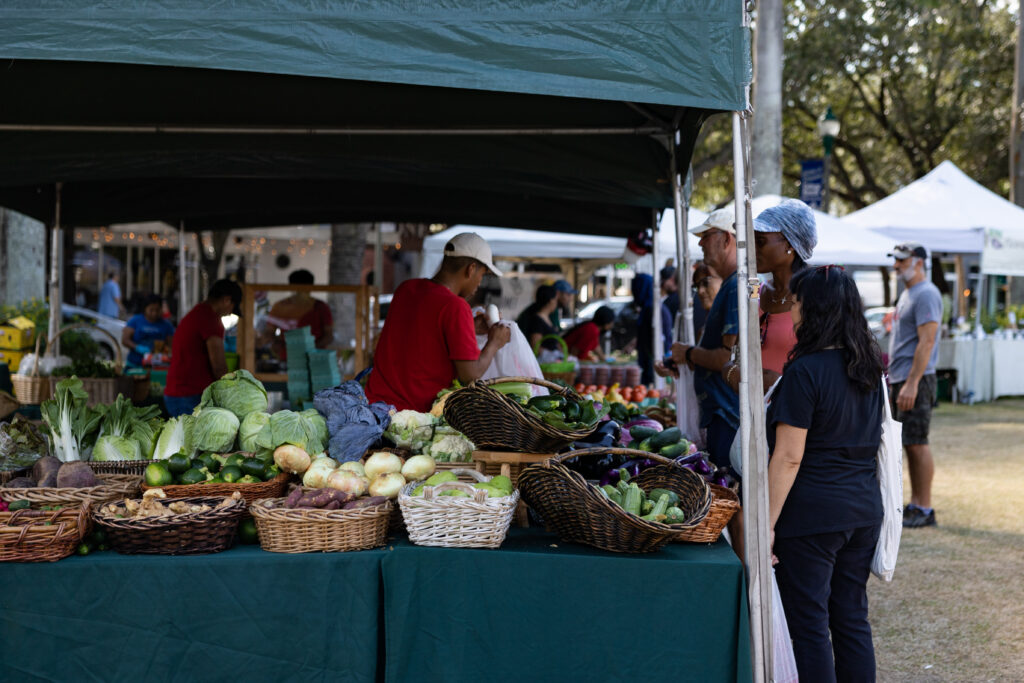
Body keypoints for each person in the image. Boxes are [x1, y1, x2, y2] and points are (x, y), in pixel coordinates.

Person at [767, 264, 885, 682]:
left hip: (813, 515)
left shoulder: (805, 371)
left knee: (810, 625)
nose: (792, 310)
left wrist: (765, 521)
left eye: (796, 301)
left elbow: (788, 457)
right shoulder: (869, 367)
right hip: (862, 511)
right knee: (851, 618)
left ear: (814, 309)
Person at [365, 232, 511, 412]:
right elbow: (470, 375)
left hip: (375, 406)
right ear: (471, 269)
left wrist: (468, 327)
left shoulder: (406, 289)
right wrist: (494, 343)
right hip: (412, 418)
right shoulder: (456, 306)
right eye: (482, 275)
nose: (479, 284)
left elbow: (424, 335)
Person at [662, 209, 739, 469]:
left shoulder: (736, 286)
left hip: (727, 416)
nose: (700, 243)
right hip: (720, 414)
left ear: (727, 239)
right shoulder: (732, 286)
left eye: (707, 236)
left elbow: (728, 357)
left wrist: (689, 354)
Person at [888, 242, 942, 528]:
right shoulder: (910, 293)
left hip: (915, 379)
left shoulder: (927, 293)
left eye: (901, 260)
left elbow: (928, 340)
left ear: (919, 262)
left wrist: (912, 383)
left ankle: (924, 507)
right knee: (907, 443)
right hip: (902, 378)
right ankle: (914, 503)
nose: (896, 265)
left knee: (917, 442)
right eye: (895, 260)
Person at [752, 199, 818, 376]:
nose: (753, 249)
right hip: (756, 403)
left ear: (790, 244)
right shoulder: (757, 290)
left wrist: (779, 384)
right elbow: (737, 352)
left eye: (760, 241)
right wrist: (732, 371)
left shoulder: (818, 293)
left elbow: (829, 368)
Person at [164, 279, 243, 417]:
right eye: (232, 308)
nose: (230, 313)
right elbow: (218, 365)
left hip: (179, 393)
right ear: (226, 300)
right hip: (188, 396)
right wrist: (233, 393)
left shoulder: (198, 312)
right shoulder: (211, 319)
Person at [262, 269, 334, 359]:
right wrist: (275, 343)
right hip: (288, 357)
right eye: (298, 289)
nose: (301, 293)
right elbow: (269, 332)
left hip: (314, 359)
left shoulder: (321, 307)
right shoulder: (280, 306)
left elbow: (328, 336)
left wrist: (311, 349)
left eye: (304, 289)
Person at [632, 273, 672, 385]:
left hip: (654, 361)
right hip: (652, 359)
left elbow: (658, 338)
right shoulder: (650, 307)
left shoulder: (652, 309)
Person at [122, 294, 175, 367]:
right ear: (145, 308)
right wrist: (137, 347)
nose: (154, 313)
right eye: (151, 310)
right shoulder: (135, 320)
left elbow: (171, 345)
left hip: (157, 365)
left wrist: (165, 351)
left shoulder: (167, 325)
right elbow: (125, 340)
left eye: (157, 310)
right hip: (134, 364)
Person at [516, 284, 560, 351]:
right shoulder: (537, 321)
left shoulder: (547, 318)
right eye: (556, 300)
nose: (556, 303)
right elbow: (535, 346)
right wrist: (551, 355)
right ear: (551, 300)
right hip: (544, 361)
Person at [691, 262, 722, 341]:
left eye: (705, 283)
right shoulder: (704, 330)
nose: (700, 291)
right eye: (697, 286)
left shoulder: (734, 326)